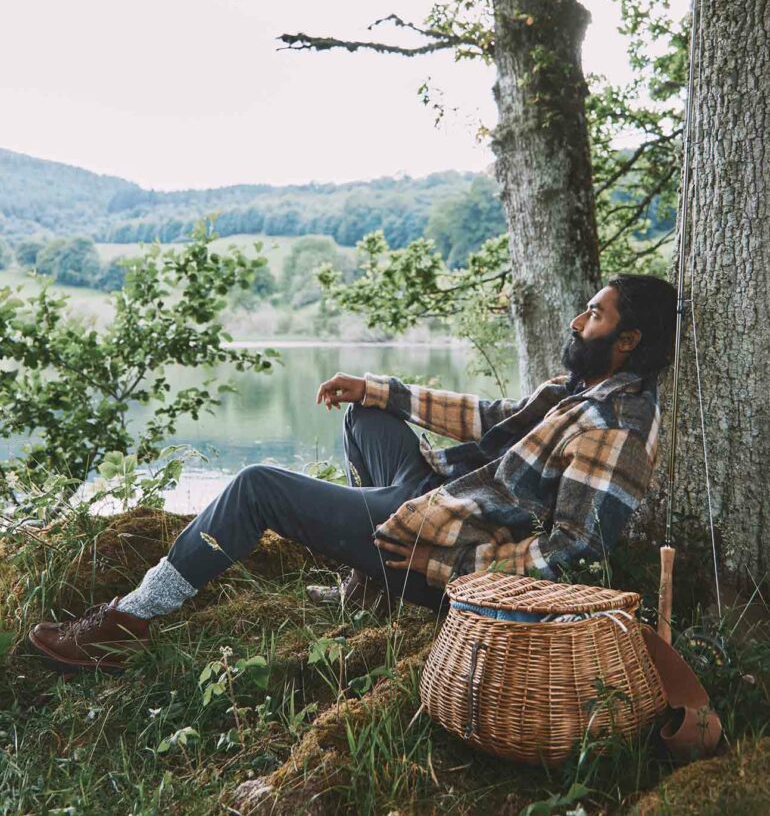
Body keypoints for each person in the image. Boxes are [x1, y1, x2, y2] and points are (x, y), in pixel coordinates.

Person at [28, 274, 677, 673]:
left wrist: (459, 573)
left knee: (257, 485)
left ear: (627, 340)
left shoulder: (616, 426)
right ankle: (365, 580)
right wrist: (378, 388)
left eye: (596, 313)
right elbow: (489, 416)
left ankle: (128, 621)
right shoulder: (577, 391)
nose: (577, 319)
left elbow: (576, 552)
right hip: (439, 499)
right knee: (368, 415)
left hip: (443, 548)